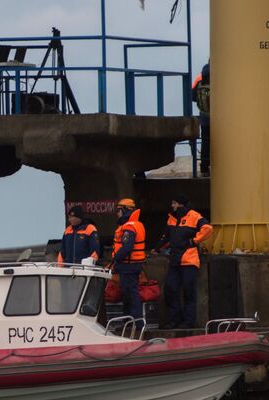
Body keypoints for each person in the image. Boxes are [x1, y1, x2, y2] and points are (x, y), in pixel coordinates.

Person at [152, 196, 213, 329]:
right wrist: (156, 249)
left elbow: (208, 228)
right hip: (175, 260)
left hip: (189, 261)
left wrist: (194, 241)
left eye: (174, 203)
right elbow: (167, 237)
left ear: (181, 205)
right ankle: (175, 319)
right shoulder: (172, 219)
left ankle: (188, 322)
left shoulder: (194, 216)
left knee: (188, 292)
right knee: (170, 289)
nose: (172, 205)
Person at [110, 198, 145, 325]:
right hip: (129, 266)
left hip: (129, 266)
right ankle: (129, 323)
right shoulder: (133, 225)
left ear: (125, 210)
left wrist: (115, 259)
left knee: (130, 295)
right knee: (128, 295)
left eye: (118, 210)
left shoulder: (129, 227)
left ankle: (135, 324)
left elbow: (126, 248)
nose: (117, 213)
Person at [192, 63, 210, 177]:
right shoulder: (222, 76)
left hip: (204, 117)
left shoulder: (199, 79)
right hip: (221, 119)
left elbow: (193, 97)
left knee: (205, 142)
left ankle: (204, 168)